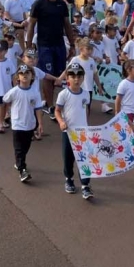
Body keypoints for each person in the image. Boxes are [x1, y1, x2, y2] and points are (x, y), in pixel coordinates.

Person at [27, 0, 75, 120]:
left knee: (59, 75)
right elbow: (31, 26)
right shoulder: (38, 4)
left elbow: (67, 25)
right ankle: (50, 105)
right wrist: (29, 46)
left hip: (59, 45)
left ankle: (58, 103)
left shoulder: (62, 5)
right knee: (47, 76)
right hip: (44, 46)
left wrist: (72, 45)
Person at [55, 63, 93, 199]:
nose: (76, 79)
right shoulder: (63, 94)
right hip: (68, 132)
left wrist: (86, 125)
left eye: (79, 76)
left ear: (83, 78)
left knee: (84, 159)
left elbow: (86, 110)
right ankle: (69, 179)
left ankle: (85, 185)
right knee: (68, 158)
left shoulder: (86, 94)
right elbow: (57, 110)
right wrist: (61, 122)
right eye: (72, 76)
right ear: (67, 78)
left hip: (82, 133)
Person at [3, 64, 44, 182]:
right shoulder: (14, 91)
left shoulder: (34, 92)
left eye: (27, 74)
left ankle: (19, 161)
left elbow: (38, 108)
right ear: (18, 77)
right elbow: (5, 99)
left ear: (32, 77)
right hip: (17, 124)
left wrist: (40, 124)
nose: (24, 76)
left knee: (26, 147)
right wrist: (9, 112)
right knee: (19, 148)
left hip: (30, 124)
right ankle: (22, 170)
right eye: (22, 74)